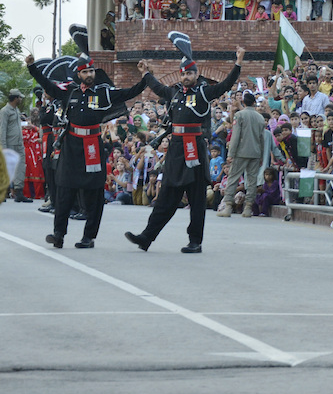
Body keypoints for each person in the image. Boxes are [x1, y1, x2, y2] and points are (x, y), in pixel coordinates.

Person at [125, 48, 243, 253]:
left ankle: (195, 242)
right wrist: (145, 73)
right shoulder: (175, 93)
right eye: (183, 73)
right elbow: (157, 87)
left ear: (196, 74)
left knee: (197, 199)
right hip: (176, 150)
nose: (186, 77)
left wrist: (238, 62)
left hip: (195, 148)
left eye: (189, 73)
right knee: (165, 197)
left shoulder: (204, 92)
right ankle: (146, 238)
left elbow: (225, 85)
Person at [27, 53, 147, 249]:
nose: (89, 74)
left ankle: (88, 237)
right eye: (85, 72)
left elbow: (129, 92)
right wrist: (32, 67)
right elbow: (48, 86)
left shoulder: (103, 93)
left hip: (93, 147)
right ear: (79, 74)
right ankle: (58, 234)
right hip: (71, 146)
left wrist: (145, 76)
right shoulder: (70, 92)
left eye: (91, 71)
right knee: (64, 189)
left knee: (94, 192)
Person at [217, 91, 266, 218]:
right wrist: (261, 155)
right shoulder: (260, 117)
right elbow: (262, 139)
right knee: (252, 180)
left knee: (233, 178)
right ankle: (248, 207)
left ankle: (228, 206)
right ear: (254, 103)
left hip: (241, 152)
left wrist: (231, 153)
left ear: (243, 102)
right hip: (255, 152)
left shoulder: (240, 115)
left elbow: (235, 135)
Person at [0, 89, 27, 202]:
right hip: (9, 144)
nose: (21, 99)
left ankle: (18, 191)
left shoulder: (16, 110)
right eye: (19, 98)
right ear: (15, 98)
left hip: (19, 143)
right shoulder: (5, 111)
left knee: (21, 167)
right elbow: (2, 130)